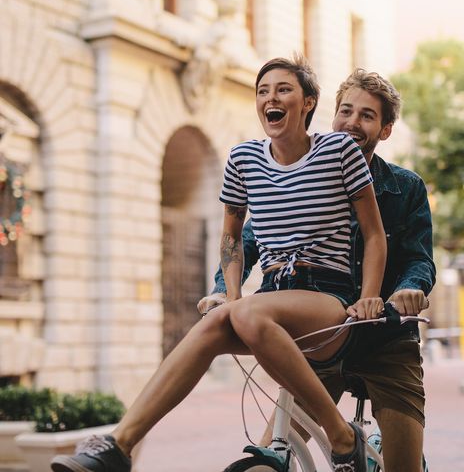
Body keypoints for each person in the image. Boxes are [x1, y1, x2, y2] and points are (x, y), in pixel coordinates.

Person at [50, 56, 387, 472]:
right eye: (262, 91)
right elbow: (231, 237)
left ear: (308, 102)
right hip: (271, 298)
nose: (271, 98)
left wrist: (369, 297)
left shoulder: (338, 150)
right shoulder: (243, 160)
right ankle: (119, 446)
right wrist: (230, 296)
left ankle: (340, 434)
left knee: (243, 310)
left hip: (328, 300)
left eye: (283, 89)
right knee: (212, 325)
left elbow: (373, 233)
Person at [199, 69, 436, 472]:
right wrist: (225, 291)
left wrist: (407, 290)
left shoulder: (405, 186)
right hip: (320, 338)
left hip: (385, 339)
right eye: (346, 111)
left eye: (366, 116)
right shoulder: (308, 175)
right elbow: (248, 242)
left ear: (386, 130)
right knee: (272, 449)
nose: (352, 123)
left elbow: (418, 258)